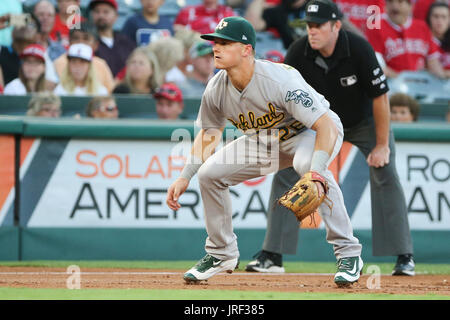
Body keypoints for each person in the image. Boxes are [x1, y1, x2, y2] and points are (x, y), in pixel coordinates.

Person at [166, 16, 363, 287]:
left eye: (225, 43)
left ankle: (349, 254)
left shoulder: (278, 79)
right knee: (210, 175)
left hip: (309, 134)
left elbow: (325, 125)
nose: (216, 48)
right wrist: (185, 175)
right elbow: (210, 133)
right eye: (215, 42)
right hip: (266, 141)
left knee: (310, 169)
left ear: (246, 49)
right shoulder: (216, 87)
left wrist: (317, 170)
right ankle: (221, 253)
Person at [245, 0, 415, 276]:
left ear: (336, 26)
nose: (312, 31)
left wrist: (382, 145)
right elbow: (283, 98)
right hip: (318, 123)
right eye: (309, 26)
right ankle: (272, 255)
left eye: (318, 26)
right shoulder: (299, 51)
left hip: (362, 123)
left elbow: (380, 98)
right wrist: (283, 138)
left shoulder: (359, 48)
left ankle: (403, 255)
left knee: (385, 171)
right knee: (286, 170)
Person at [366, 0, 449, 79]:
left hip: (421, 84)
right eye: (391, 1)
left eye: (400, 2)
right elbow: (378, 65)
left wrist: (443, 75)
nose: (395, 6)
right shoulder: (377, 28)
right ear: (386, 4)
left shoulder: (422, 27)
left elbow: (432, 61)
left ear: (410, 6)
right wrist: (402, 79)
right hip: (392, 84)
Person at [53, 22, 115, 92]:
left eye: (86, 39)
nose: (80, 42)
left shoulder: (101, 64)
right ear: (69, 42)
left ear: (96, 45)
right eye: (76, 38)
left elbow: (111, 91)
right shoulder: (60, 62)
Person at [89, 0, 136, 78]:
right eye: (97, 11)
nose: (101, 16)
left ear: (116, 16)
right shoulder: (87, 42)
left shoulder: (127, 43)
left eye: (106, 12)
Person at [426, 2, 450, 70]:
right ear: (429, 18)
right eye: (436, 16)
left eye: (444, 17)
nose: (439, 20)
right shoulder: (423, 42)